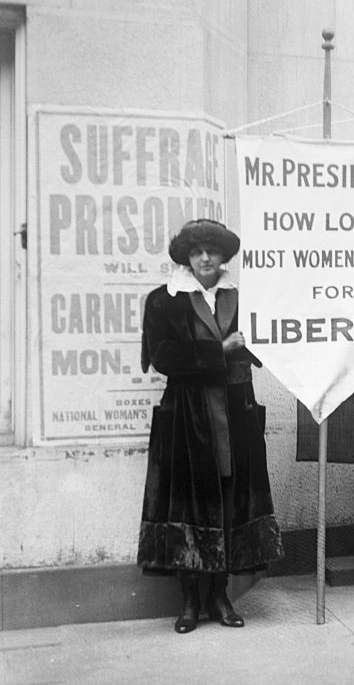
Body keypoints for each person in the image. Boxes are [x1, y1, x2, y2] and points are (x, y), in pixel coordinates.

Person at [137, 219, 284, 633]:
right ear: (186, 256)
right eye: (197, 251)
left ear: (224, 257)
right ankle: (188, 603)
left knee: (229, 498)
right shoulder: (164, 301)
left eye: (213, 251)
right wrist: (220, 350)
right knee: (190, 503)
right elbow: (164, 357)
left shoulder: (240, 298)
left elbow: (264, 345)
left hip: (235, 415)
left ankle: (220, 595)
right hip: (188, 416)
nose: (205, 258)